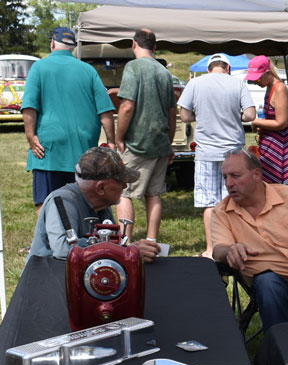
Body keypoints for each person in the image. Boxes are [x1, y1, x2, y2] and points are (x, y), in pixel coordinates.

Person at [210, 148, 288, 333]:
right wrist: (230, 250)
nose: (229, 183)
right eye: (225, 177)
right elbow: (219, 250)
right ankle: (284, 347)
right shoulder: (222, 212)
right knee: (269, 283)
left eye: (235, 176)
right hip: (270, 282)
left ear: (256, 175)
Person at [22, 27, 116, 215]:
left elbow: (30, 107)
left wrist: (31, 136)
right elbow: (105, 111)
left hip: (48, 150)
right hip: (83, 149)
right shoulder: (88, 71)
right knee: (85, 204)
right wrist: (111, 141)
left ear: (52, 43)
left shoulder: (39, 68)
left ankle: (49, 234)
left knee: (46, 202)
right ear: (72, 47)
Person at [178, 53, 256, 258]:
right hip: (233, 151)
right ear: (228, 68)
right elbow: (250, 114)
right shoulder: (237, 84)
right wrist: (236, 116)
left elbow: (184, 115)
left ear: (209, 68)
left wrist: (199, 115)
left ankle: (211, 249)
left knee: (210, 203)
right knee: (234, 200)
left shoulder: (195, 83)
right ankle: (234, 246)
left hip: (206, 151)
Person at [29, 147, 160, 262]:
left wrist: (127, 249)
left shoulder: (103, 204)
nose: (125, 185)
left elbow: (110, 243)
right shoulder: (61, 201)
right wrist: (125, 252)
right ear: (100, 188)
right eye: (120, 181)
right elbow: (64, 249)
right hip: (50, 276)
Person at [115, 28, 178, 244]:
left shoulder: (133, 67)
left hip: (138, 143)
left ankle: (124, 242)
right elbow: (172, 112)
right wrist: (169, 142)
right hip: (160, 143)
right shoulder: (164, 72)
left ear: (134, 44)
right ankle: (152, 241)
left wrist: (119, 138)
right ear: (155, 47)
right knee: (154, 194)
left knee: (123, 192)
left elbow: (127, 106)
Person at [246, 56, 288, 184]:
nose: (256, 82)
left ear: (268, 73)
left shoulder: (279, 89)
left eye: (258, 78)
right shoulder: (269, 87)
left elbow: (282, 123)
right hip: (270, 146)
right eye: (253, 80)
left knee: (279, 187)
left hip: (280, 148)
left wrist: (256, 122)